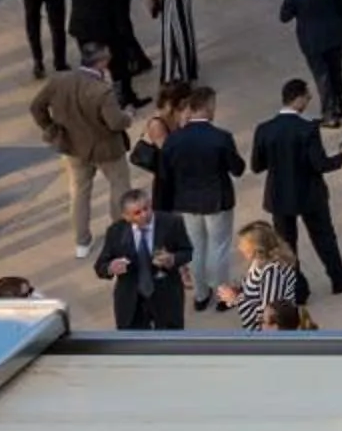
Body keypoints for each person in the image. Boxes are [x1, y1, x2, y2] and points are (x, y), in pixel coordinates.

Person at [136, 84, 245, 314]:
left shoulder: (175, 140)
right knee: (219, 247)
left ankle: (201, 294)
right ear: (206, 107)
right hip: (217, 200)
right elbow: (237, 168)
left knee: (195, 248)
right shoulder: (221, 137)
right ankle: (222, 294)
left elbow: (165, 173)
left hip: (186, 202)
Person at [251, 79, 342, 294]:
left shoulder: (264, 129)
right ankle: (339, 279)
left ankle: (297, 290)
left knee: (286, 245)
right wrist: (341, 155)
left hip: (279, 197)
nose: (309, 100)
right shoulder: (307, 128)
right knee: (323, 237)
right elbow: (320, 164)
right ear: (298, 99)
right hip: (309, 194)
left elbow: (257, 166)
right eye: (307, 96)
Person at [30, 45, 133, 260]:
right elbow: (115, 122)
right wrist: (128, 116)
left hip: (73, 147)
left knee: (79, 193)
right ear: (102, 62)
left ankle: (82, 242)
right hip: (107, 148)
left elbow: (36, 106)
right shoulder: (102, 91)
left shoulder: (59, 81)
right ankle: (119, 235)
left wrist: (50, 128)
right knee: (119, 188)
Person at [92, 188, 191, 331]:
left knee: (170, 342)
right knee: (133, 346)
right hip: (132, 298)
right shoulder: (116, 232)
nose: (144, 214)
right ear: (126, 216)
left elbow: (187, 252)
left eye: (146, 208)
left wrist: (172, 259)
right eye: (137, 213)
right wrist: (110, 267)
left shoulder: (171, 223)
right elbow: (100, 266)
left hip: (166, 295)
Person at [277, 0, 342, 128]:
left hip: (311, 39)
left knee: (322, 75)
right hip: (334, 32)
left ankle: (330, 114)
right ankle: (340, 103)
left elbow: (284, 17)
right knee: (336, 70)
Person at [218, 220, 303, 330]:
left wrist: (236, 299)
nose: (239, 248)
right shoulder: (259, 262)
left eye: (243, 243)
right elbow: (256, 292)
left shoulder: (272, 273)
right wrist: (238, 291)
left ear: (257, 247)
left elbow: (270, 312)